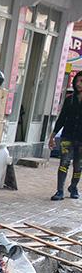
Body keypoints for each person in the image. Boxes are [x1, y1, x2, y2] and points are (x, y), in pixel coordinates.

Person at [49, 71, 82, 200]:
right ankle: (59, 191)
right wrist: (53, 135)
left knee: (78, 165)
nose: (79, 84)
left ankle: (73, 187)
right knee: (64, 162)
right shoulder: (70, 99)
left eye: (81, 81)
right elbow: (62, 118)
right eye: (77, 81)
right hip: (67, 136)